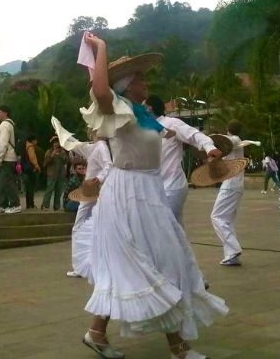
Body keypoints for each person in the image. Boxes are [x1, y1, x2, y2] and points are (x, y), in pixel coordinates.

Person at [79, 33, 226, 359]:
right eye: (140, 79)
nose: (146, 83)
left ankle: (97, 333)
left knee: (152, 263)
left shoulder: (142, 114)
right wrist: (101, 48)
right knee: (156, 263)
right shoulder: (117, 109)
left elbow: (170, 139)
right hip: (127, 193)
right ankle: (178, 348)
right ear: (127, 85)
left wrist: (206, 150)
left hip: (148, 190)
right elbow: (100, 90)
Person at [51, 117, 113, 279]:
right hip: (91, 191)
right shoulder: (94, 146)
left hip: (93, 191)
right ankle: (88, 264)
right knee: (90, 227)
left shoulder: (101, 146)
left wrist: (99, 178)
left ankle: (81, 266)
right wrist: (59, 129)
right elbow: (75, 144)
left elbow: (108, 165)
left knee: (80, 227)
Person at [145, 95, 220, 225]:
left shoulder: (171, 123)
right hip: (154, 187)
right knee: (173, 228)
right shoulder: (143, 128)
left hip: (172, 186)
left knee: (167, 227)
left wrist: (209, 147)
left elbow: (194, 135)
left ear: (149, 108)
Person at [209, 120, 248, 267]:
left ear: (228, 129)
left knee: (217, 216)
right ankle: (231, 255)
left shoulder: (233, 140)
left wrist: (210, 140)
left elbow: (224, 141)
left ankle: (233, 249)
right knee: (227, 220)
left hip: (231, 185)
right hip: (235, 184)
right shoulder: (235, 143)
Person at [0, 106, 21, 214]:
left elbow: (3, 143)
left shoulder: (4, 124)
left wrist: (0, 158)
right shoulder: (11, 124)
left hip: (7, 158)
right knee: (3, 182)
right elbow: (2, 139)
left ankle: (15, 205)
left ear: (5, 113)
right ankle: (3, 205)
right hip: (12, 157)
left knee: (8, 183)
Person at [41, 136, 68, 211]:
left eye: (58, 142)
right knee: (49, 190)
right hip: (51, 174)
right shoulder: (49, 151)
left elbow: (66, 161)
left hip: (61, 174)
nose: (56, 144)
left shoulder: (62, 152)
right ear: (52, 144)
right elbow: (45, 163)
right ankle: (45, 205)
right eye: (55, 142)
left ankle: (57, 206)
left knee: (59, 190)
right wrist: (51, 156)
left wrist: (62, 155)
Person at [22, 136, 41, 209]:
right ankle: (31, 204)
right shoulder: (30, 147)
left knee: (28, 188)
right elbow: (32, 158)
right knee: (31, 188)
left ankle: (28, 204)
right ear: (32, 140)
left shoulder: (25, 146)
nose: (36, 142)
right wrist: (37, 166)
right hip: (30, 170)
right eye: (35, 140)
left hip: (25, 170)